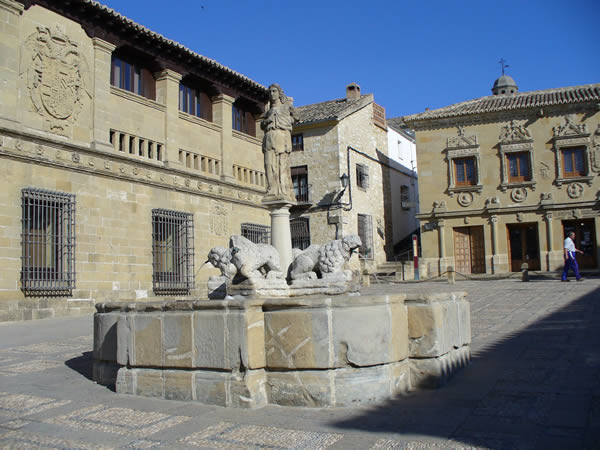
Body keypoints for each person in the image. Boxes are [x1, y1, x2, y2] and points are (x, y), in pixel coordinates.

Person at [261, 83, 297, 202]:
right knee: (268, 164)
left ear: (279, 93)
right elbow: (262, 124)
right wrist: (267, 121)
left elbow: (296, 118)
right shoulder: (268, 111)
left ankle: (283, 189)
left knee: (282, 165)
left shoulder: (286, 107)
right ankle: (272, 189)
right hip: (269, 137)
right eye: (270, 92)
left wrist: (286, 119)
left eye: (274, 91)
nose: (272, 94)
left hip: (282, 137)